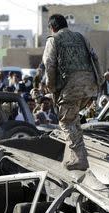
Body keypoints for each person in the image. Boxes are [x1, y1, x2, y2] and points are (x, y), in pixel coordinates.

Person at [43, 13, 99, 171]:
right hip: (90, 87)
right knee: (74, 119)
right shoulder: (81, 37)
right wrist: (99, 82)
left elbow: (49, 64)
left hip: (71, 87)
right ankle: (80, 154)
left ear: (52, 27)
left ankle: (80, 158)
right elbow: (95, 58)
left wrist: (52, 88)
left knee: (66, 121)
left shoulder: (53, 40)